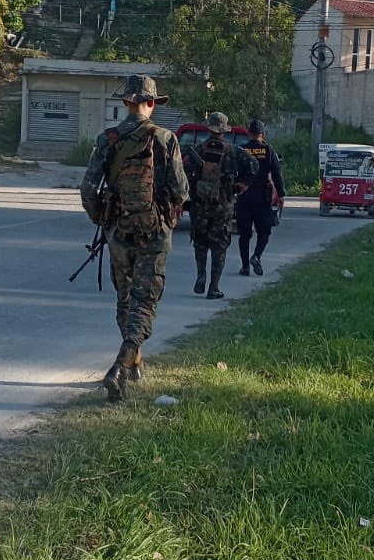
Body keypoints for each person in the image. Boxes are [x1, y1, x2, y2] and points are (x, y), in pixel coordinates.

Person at [80, 75, 187, 403]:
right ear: (152, 103)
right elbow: (181, 190)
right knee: (145, 303)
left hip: (118, 233)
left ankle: (134, 361)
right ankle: (121, 366)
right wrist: (167, 219)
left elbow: (88, 189)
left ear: (126, 102)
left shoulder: (107, 139)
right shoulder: (166, 139)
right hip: (154, 234)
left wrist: (102, 218)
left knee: (126, 300)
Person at [181, 112, 256, 300]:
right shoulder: (234, 151)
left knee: (200, 243)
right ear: (224, 130)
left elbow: (183, 172)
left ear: (209, 128)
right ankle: (213, 287)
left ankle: (200, 275)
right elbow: (254, 166)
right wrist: (242, 185)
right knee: (219, 246)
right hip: (223, 206)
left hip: (199, 205)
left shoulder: (197, 150)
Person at [236, 118, 284, 277]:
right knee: (265, 231)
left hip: (243, 196)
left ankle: (244, 267)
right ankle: (256, 256)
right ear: (262, 134)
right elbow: (277, 174)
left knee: (244, 234)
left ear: (249, 132)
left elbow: (232, 171)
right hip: (262, 198)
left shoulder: (241, 150)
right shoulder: (269, 150)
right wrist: (281, 194)